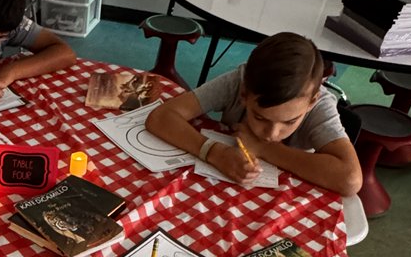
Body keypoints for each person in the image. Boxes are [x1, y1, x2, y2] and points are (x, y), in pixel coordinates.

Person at [145, 31, 362, 196]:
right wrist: (214, 152)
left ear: (311, 103)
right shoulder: (240, 81)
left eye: (289, 122)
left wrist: (264, 148)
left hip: (288, 201)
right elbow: (161, 117)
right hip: (224, 189)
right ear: (244, 95)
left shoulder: (319, 104)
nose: (272, 132)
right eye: (259, 117)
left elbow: (350, 179)